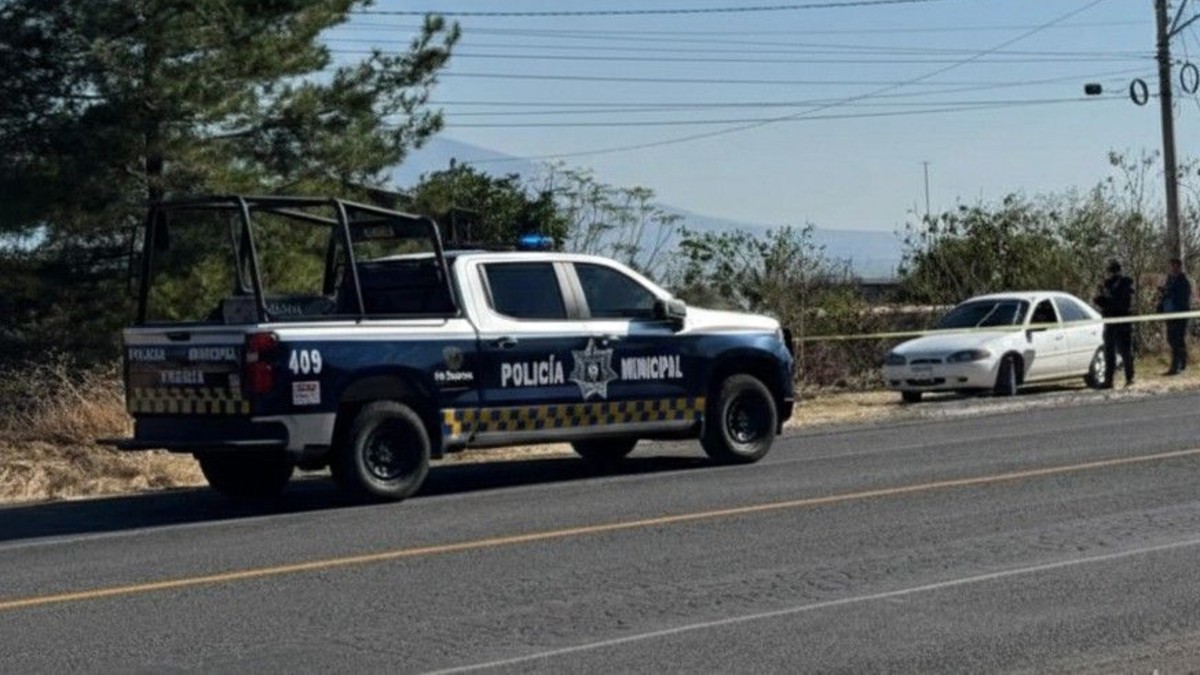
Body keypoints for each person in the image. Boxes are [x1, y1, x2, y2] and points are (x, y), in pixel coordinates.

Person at [1094, 259, 1135, 388]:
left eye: (1111, 271)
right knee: (1109, 353)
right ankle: (1108, 380)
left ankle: (1130, 378)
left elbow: (1122, 303)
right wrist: (1100, 298)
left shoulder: (1126, 284)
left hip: (1122, 322)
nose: (1110, 274)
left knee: (1125, 352)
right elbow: (1104, 301)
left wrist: (1106, 301)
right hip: (1110, 322)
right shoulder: (1107, 284)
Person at [1158, 257, 1192, 375]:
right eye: (1171, 266)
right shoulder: (1169, 280)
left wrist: (1169, 292)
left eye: (1174, 266)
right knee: (1173, 339)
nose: (1172, 269)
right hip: (1169, 313)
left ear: (1179, 267)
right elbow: (1166, 295)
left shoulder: (1184, 281)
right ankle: (1182, 363)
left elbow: (1183, 298)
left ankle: (1175, 367)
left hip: (1179, 314)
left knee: (1176, 340)